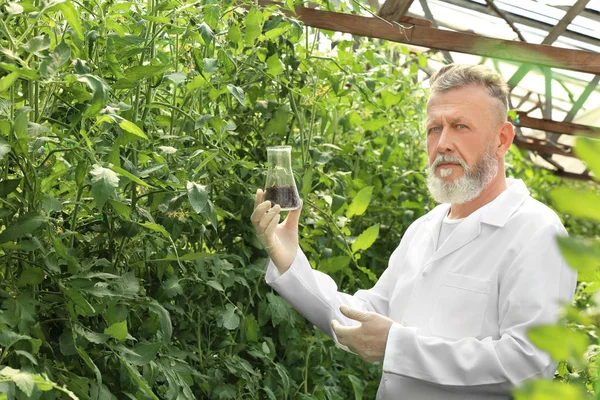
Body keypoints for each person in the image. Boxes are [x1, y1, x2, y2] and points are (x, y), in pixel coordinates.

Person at [250, 64, 577, 399]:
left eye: (460, 126)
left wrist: (398, 345)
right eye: (434, 128)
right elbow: (363, 318)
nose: (443, 143)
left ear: (502, 139)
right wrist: (291, 262)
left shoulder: (536, 233)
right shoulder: (424, 228)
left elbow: (529, 365)